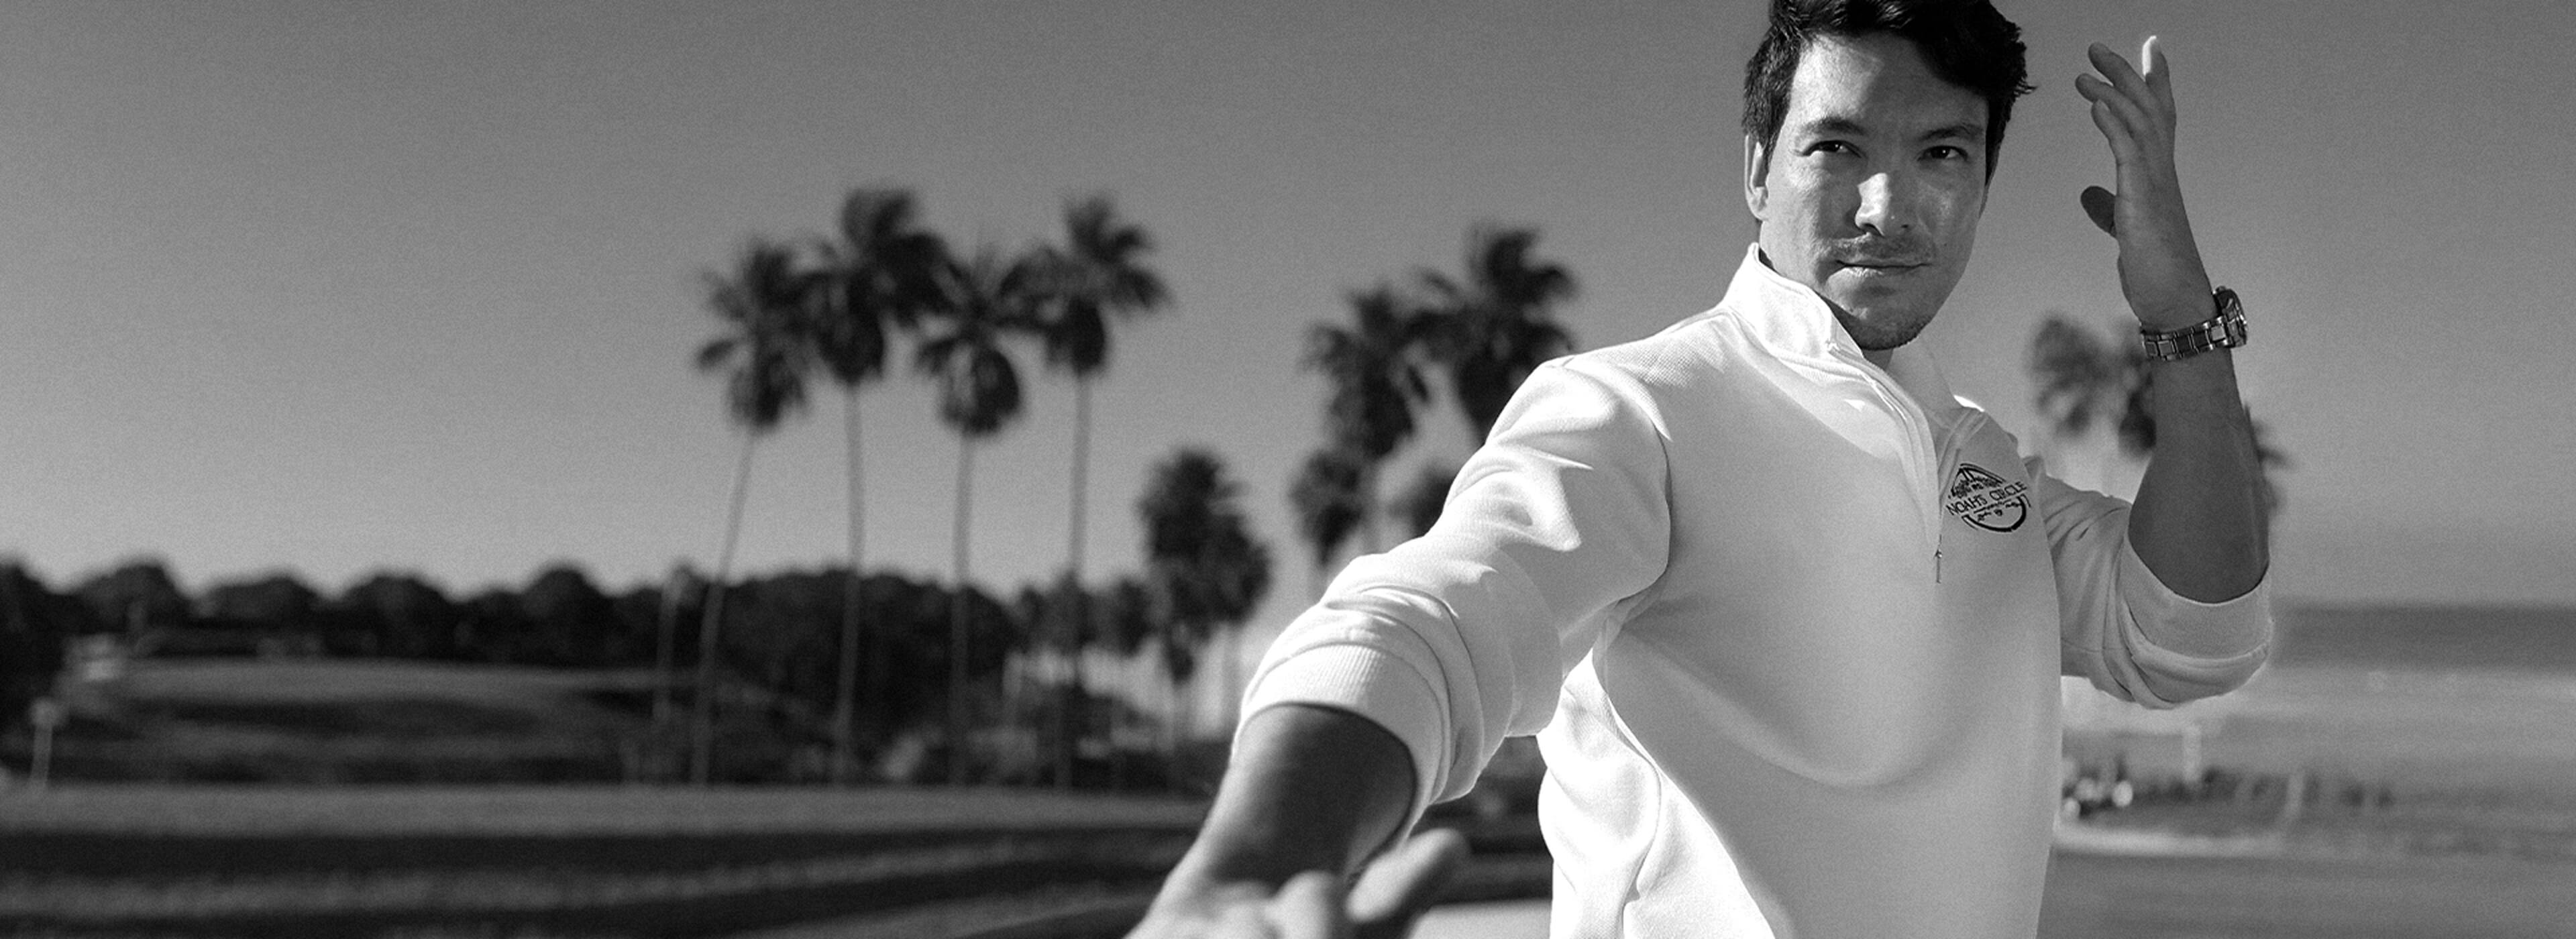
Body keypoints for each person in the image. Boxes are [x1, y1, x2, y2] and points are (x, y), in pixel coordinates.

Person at [1131, 0, 2273, 935]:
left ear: (1979, 188)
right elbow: (1433, 621)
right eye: (1838, 147)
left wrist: (2180, 314)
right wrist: (1253, 865)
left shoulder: (1987, 467)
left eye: (1941, 153)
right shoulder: (1643, 408)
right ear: (1759, 170)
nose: (1888, 207)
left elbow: (2193, 634)